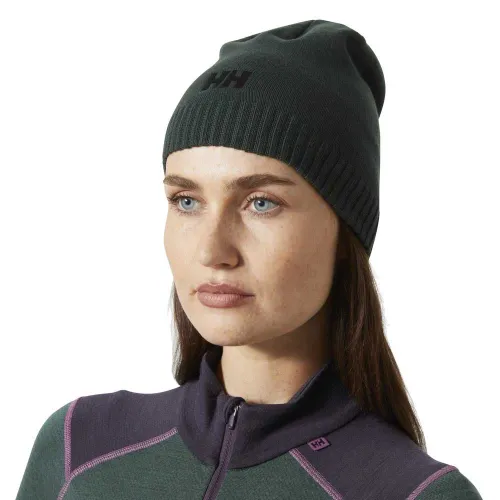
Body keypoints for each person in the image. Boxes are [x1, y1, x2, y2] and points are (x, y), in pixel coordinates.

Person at [15, 19, 483, 499]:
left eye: (261, 203)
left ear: (345, 232)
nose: (211, 251)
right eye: (186, 201)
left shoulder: (416, 493)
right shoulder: (78, 448)